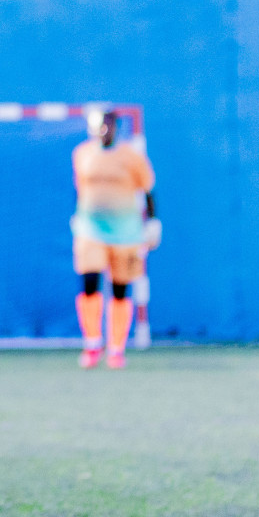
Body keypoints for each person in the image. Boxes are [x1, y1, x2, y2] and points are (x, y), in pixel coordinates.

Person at [70, 109, 158, 370]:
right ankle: (92, 342)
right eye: (98, 124)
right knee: (89, 282)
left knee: (120, 289)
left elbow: (149, 190)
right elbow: (81, 188)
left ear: (115, 126)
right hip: (90, 229)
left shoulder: (132, 156)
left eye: (108, 124)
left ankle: (116, 348)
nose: (103, 129)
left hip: (126, 233)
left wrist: (153, 223)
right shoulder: (82, 154)